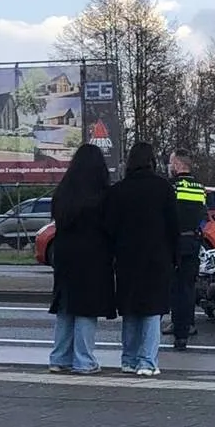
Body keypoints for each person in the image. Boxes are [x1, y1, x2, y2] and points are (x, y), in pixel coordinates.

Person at [104, 142, 178, 377]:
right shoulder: (163, 188)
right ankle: (147, 361)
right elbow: (173, 226)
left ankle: (128, 359)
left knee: (131, 309)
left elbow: (109, 228)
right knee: (152, 311)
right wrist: (174, 256)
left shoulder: (118, 190)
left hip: (127, 258)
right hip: (157, 257)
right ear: (152, 161)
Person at [48, 144, 116, 375]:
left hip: (65, 254)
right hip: (94, 255)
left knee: (65, 306)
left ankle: (59, 358)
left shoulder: (63, 191)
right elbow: (110, 227)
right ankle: (84, 360)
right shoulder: (103, 195)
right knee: (86, 307)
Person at [163, 149, 206, 350]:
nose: (169, 166)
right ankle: (188, 323)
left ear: (179, 165)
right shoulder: (200, 188)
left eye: (171, 162)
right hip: (193, 241)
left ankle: (178, 326)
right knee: (188, 286)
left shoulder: (171, 187)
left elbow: (167, 215)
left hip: (174, 242)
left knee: (174, 286)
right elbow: (202, 217)